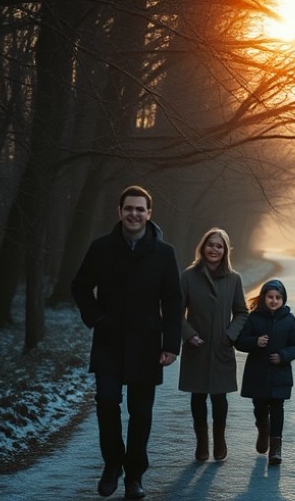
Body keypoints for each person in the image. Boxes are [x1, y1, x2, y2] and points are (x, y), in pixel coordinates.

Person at [71, 185, 182, 500]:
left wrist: (171, 344)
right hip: (108, 341)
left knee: (141, 412)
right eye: (129, 208)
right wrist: (97, 318)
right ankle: (112, 465)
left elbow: (174, 301)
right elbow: (79, 286)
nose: (134, 214)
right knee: (107, 403)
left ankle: (134, 476)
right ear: (119, 212)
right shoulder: (101, 248)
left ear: (149, 213)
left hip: (147, 343)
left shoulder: (164, 253)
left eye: (140, 209)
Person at [179, 228, 249, 461]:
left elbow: (241, 312)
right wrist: (188, 334)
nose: (214, 249)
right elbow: (174, 312)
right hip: (196, 348)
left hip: (221, 347)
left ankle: (219, 439)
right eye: (210, 244)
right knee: (197, 396)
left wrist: (230, 335)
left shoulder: (234, 279)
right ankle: (201, 443)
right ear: (203, 246)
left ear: (225, 251)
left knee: (219, 397)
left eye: (219, 246)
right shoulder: (188, 276)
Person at [234, 279, 295, 465]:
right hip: (258, 373)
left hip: (280, 374)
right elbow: (240, 341)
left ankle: (275, 449)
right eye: (270, 297)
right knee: (260, 407)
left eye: (278, 297)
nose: (274, 300)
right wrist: (254, 342)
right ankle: (263, 429)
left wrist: (283, 355)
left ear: (283, 299)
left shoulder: (289, 319)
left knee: (278, 409)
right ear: (264, 297)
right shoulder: (254, 318)